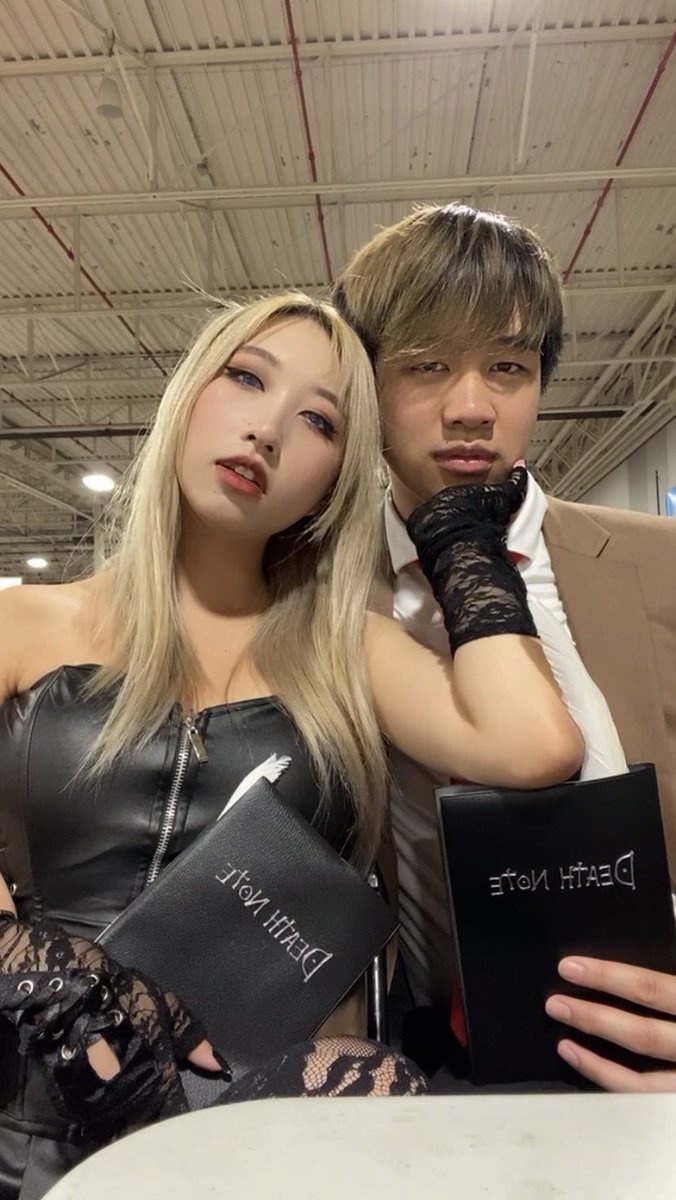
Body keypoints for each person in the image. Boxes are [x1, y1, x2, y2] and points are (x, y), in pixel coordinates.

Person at [0, 291, 582, 1197]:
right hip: (22, 1109)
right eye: (245, 378)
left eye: (319, 420)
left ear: (336, 476)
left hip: (235, 1122)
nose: (267, 431)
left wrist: (461, 541)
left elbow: (533, 744)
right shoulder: (24, 622)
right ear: (189, 393)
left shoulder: (347, 649)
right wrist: (41, 970)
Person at [334, 201, 676, 1093]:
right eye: (427, 365)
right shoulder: (318, 603)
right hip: (423, 1071)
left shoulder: (660, 567)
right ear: (365, 382)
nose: (471, 408)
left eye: (508, 367)